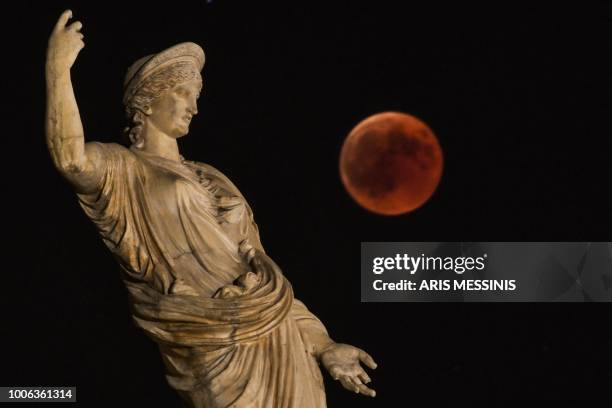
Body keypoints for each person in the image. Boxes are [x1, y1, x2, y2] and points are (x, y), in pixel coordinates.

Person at [45, 10, 377, 407]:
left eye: (196, 97)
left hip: (273, 325)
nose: (194, 107)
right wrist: (58, 69)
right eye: (183, 93)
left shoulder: (212, 176)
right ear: (147, 102)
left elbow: (261, 266)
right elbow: (70, 159)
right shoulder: (123, 169)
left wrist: (323, 345)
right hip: (207, 332)